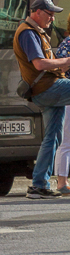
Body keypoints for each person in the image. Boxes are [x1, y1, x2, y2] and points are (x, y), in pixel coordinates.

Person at [13, 0, 70, 199]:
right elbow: (39, 64)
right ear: (37, 12)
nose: (52, 19)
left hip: (45, 90)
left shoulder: (34, 30)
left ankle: (39, 185)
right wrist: (65, 61)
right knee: (53, 137)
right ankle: (40, 183)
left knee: (54, 137)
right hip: (47, 88)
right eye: (50, 14)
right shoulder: (28, 33)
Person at [53, 25, 70, 195]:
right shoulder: (68, 44)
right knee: (65, 142)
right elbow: (61, 69)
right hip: (67, 96)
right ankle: (61, 182)